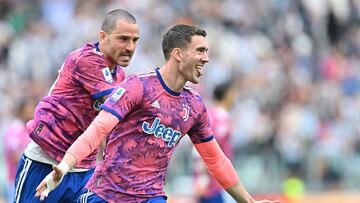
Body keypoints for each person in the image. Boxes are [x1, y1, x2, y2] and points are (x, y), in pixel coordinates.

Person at [35, 24, 279, 203]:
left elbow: (216, 160)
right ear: (178, 53)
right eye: (200, 51)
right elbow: (98, 129)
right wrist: (65, 165)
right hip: (106, 195)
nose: (206, 58)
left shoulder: (194, 106)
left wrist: (249, 202)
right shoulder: (137, 87)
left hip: (151, 197)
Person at [14, 9, 140, 203]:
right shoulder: (86, 59)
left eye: (134, 40)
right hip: (45, 161)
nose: (130, 47)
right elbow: (117, 106)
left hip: (83, 169)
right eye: (123, 39)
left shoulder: (119, 75)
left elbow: (109, 124)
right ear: (103, 37)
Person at [193, 80, 237, 203]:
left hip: (209, 183)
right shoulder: (221, 118)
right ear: (228, 95)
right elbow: (206, 149)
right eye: (233, 93)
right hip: (216, 185)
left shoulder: (209, 114)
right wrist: (202, 179)